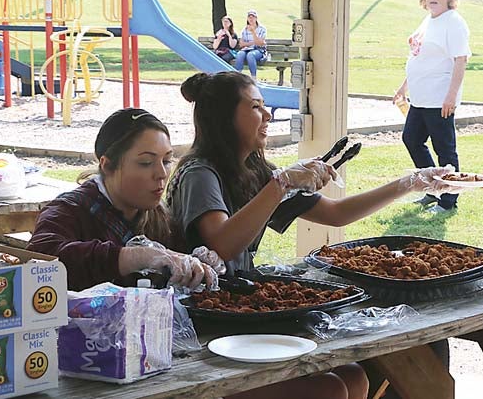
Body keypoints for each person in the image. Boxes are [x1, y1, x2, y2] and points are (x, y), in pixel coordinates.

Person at [166, 71, 454, 399]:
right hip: (204, 329)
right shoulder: (200, 173)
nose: (268, 114)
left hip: (242, 314)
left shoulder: (255, 171)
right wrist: (280, 185)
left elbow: (336, 213)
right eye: (256, 106)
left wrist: (410, 182)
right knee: (331, 387)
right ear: (224, 116)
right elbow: (221, 243)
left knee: (355, 377)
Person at [26, 108, 223, 292]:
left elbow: (175, 261)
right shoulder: (69, 210)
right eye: (146, 163)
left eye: (166, 161)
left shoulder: (159, 216)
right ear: (107, 165)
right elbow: (40, 261)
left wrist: (195, 265)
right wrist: (138, 256)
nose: (161, 174)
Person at [393, 0, 471, 214]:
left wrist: (451, 96)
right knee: (412, 139)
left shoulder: (453, 21)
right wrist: (403, 87)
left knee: (445, 150)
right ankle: (432, 188)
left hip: (439, 100)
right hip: (420, 99)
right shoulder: (429, 20)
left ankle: (448, 201)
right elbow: (419, 57)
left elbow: (460, 60)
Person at [234, 9, 267, 79]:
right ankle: (237, 76)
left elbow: (260, 44)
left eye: (253, 17)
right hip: (247, 49)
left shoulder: (262, 29)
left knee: (250, 55)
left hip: (258, 50)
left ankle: (253, 78)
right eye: (249, 17)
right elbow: (241, 44)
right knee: (239, 54)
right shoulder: (244, 30)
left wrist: (253, 32)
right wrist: (253, 42)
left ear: (256, 18)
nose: (251, 19)